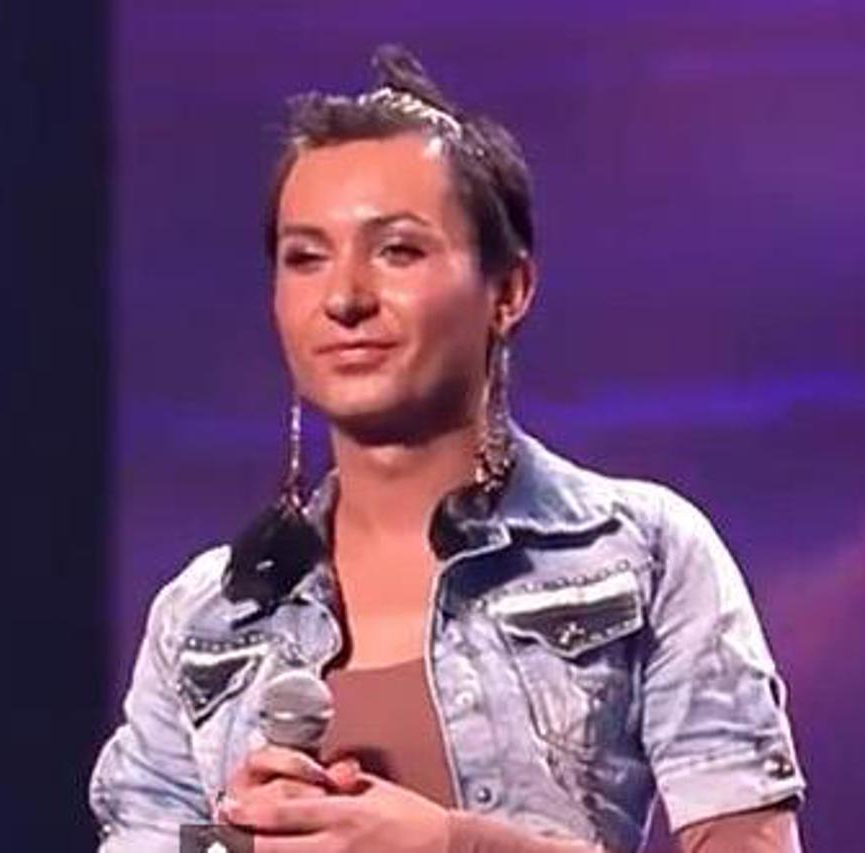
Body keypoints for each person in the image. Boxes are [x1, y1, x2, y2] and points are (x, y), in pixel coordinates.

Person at [90, 45, 805, 852]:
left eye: (397, 250)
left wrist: (455, 843)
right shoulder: (206, 615)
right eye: (306, 257)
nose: (345, 297)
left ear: (509, 290)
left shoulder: (642, 554)